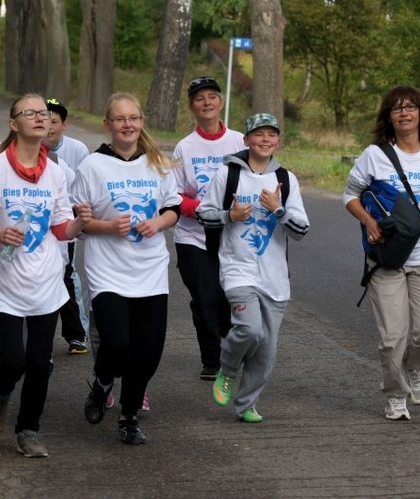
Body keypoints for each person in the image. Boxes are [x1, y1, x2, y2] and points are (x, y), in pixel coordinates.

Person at [0, 94, 92, 458]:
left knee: (40, 363)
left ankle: (29, 430)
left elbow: (60, 228)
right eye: (31, 113)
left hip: (46, 281)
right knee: (13, 362)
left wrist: (79, 223)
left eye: (45, 114)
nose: (41, 118)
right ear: (13, 124)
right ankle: (1, 392)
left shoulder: (56, 172)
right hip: (5, 283)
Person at [72, 92, 181, 445]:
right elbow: (78, 221)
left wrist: (158, 223)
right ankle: (103, 384)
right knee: (117, 343)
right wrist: (107, 227)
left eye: (133, 118)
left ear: (142, 122)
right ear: (108, 124)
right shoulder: (91, 166)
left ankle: (129, 417)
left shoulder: (157, 163)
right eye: (120, 119)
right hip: (108, 271)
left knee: (148, 353)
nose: (127, 125)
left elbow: (173, 208)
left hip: (150, 270)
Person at [343, 85, 420, 421]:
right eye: (396, 109)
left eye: (410, 107)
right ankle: (394, 395)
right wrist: (368, 222)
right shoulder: (375, 155)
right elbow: (350, 195)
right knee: (393, 337)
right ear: (388, 117)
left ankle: (415, 368)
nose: (404, 113)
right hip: (386, 256)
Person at [197, 113, 310, 423]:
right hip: (237, 269)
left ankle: (246, 404)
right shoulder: (228, 175)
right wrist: (230, 216)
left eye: (271, 135)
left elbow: (301, 231)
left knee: (266, 350)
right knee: (249, 329)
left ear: (277, 141)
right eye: (258, 134)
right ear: (246, 140)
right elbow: (202, 215)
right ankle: (228, 368)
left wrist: (279, 210)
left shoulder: (286, 180)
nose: (264, 140)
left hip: (275, 278)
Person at [172, 76, 246, 381]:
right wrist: (202, 211)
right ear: (192, 106)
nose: (207, 102)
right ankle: (211, 359)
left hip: (233, 235)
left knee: (228, 296)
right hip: (193, 236)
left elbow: (259, 176)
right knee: (204, 298)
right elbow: (173, 195)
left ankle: (232, 349)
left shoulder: (240, 141)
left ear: (221, 102)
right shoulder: (184, 147)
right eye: (200, 98)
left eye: (212, 97)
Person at [44, 97, 91, 354]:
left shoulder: (74, 153)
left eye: (54, 121)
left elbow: (82, 190)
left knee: (66, 275)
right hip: (36, 227)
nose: (49, 126)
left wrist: (79, 221)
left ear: (64, 124)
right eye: (44, 120)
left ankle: (76, 333)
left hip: (65, 226)